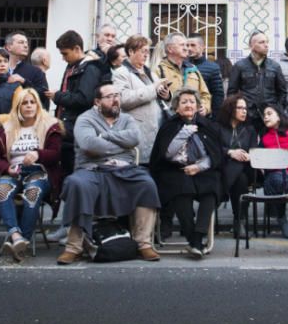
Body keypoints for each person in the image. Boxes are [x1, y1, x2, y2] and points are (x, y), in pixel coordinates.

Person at [58, 83, 161, 264]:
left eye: (117, 95)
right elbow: (89, 145)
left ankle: (143, 243)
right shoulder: (85, 119)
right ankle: (73, 247)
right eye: (109, 96)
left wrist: (105, 137)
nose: (115, 100)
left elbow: (135, 138)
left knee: (146, 183)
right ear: (97, 101)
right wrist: (120, 145)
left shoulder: (127, 119)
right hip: (91, 169)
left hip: (124, 169)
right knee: (77, 184)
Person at [0, 87, 63, 262]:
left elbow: (56, 153)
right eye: (24, 103)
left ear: (38, 105)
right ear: (18, 107)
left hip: (39, 171)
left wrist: (38, 154)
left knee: (32, 192)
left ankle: (25, 239)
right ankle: (17, 237)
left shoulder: (49, 126)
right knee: (1, 191)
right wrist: (6, 168)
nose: (29, 106)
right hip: (14, 171)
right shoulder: (6, 128)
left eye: (32, 102)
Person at [151, 87, 223, 258]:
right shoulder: (169, 126)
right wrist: (185, 132)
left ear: (198, 105)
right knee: (181, 191)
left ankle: (197, 237)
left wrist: (199, 167)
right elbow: (166, 153)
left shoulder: (207, 125)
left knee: (211, 189)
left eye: (192, 101)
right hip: (174, 169)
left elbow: (214, 154)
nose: (189, 105)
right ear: (176, 107)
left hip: (201, 169)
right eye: (184, 102)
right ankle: (194, 241)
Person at [49, 30, 105, 178]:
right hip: (68, 128)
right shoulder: (72, 66)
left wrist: (57, 96)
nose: (63, 58)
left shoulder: (90, 68)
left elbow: (84, 99)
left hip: (77, 130)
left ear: (77, 49)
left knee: (74, 174)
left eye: (65, 54)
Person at [112, 35, 169, 166]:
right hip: (138, 132)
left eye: (148, 51)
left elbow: (157, 95)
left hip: (155, 129)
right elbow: (123, 99)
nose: (146, 55)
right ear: (131, 51)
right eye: (143, 51)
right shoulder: (121, 73)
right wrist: (153, 89)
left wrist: (166, 94)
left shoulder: (149, 72)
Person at [259, 105, 288, 238]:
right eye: (264, 115)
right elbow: (259, 158)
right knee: (277, 180)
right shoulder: (264, 139)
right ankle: (281, 217)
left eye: (269, 113)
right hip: (275, 174)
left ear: (279, 117)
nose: (266, 117)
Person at [216, 94, 257, 239]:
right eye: (240, 108)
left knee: (240, 168)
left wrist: (248, 156)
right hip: (224, 169)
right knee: (240, 179)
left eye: (245, 108)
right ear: (230, 109)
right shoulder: (218, 128)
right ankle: (239, 221)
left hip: (247, 168)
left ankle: (221, 193)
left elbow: (254, 150)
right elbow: (213, 149)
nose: (244, 111)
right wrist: (230, 152)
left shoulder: (250, 129)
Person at [228, 31, 287, 130]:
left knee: (268, 144)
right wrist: (237, 111)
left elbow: (282, 92)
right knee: (248, 144)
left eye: (267, 42)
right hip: (247, 114)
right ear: (251, 45)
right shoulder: (240, 66)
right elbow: (231, 93)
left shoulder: (275, 66)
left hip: (269, 114)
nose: (266, 45)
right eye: (262, 42)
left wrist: (277, 111)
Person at [156, 33, 211, 112]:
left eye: (187, 45)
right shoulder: (158, 70)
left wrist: (205, 107)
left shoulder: (193, 69)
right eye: (182, 45)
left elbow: (205, 94)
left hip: (194, 120)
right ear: (170, 49)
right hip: (171, 120)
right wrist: (166, 96)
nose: (187, 48)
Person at [4, 32, 50, 109]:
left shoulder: (36, 72)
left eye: (26, 43)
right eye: (21, 42)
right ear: (8, 47)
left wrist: (24, 82)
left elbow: (44, 95)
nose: (26, 46)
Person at [187, 35, 224, 116]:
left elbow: (218, 94)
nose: (189, 48)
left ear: (202, 47)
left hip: (203, 114)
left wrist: (213, 115)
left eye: (193, 45)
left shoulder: (213, 67)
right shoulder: (182, 65)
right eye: (187, 45)